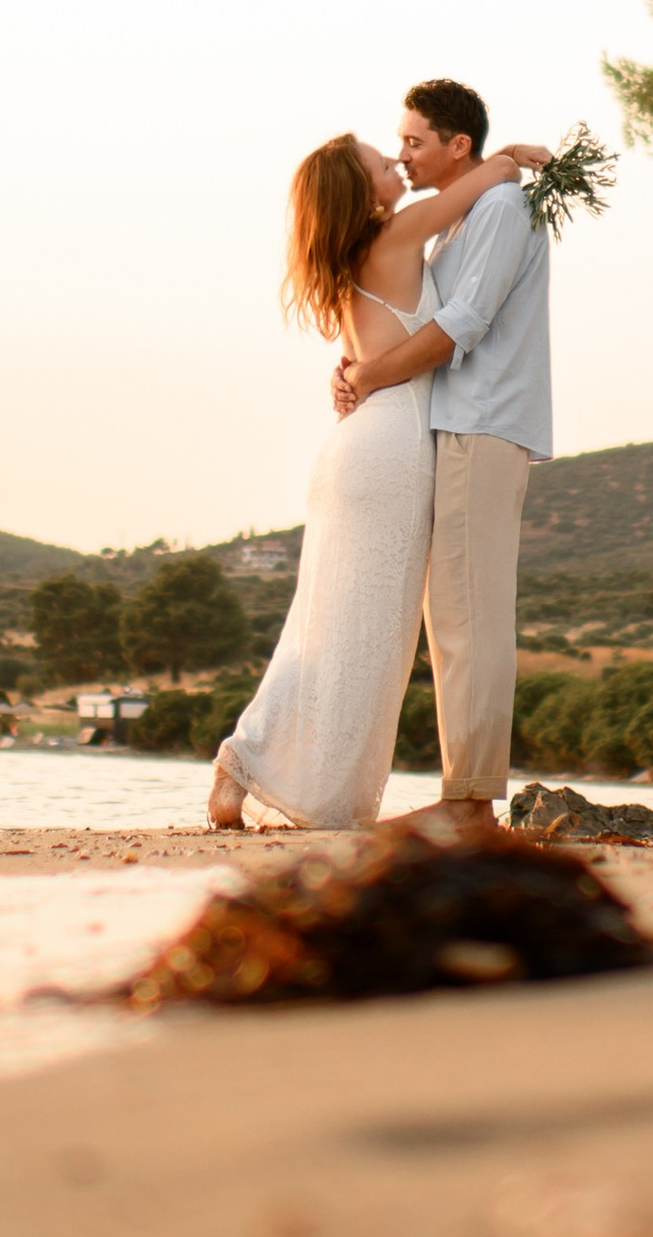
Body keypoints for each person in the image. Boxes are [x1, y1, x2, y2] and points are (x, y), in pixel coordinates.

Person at [206, 115, 549, 832]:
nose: (398, 164)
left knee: (324, 624)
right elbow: (487, 181)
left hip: (354, 448)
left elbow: (369, 350)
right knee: (369, 636)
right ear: (366, 200)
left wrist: (356, 374)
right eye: (383, 166)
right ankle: (308, 786)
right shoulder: (395, 235)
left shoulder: (349, 258)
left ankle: (244, 760)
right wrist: (511, 153)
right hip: (390, 449)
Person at [328, 77, 556, 847]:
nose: (404, 154)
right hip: (455, 424)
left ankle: (470, 802)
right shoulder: (461, 222)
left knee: (470, 613)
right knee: (454, 613)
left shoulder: (499, 207)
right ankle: (466, 794)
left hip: (480, 424)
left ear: (461, 145)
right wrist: (357, 360)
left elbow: (462, 325)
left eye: (417, 141)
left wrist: (367, 378)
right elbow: (416, 318)